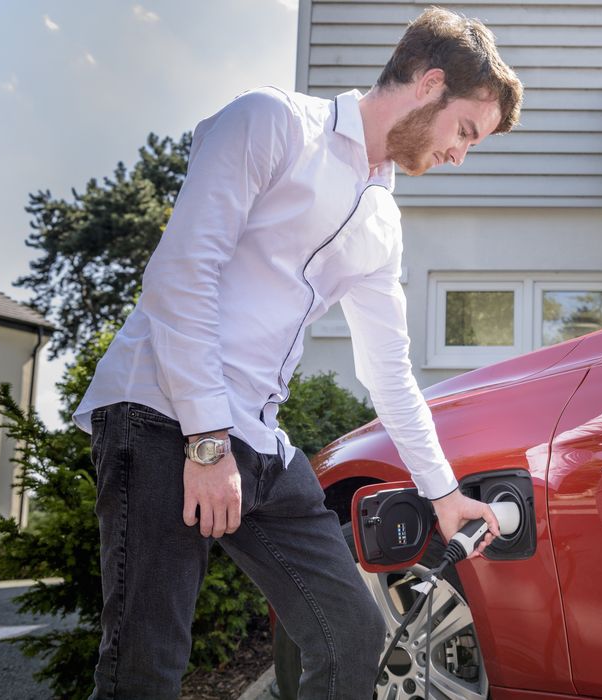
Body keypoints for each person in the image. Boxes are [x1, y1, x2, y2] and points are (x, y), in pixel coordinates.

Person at [73, 7, 523, 698]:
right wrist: (205, 442)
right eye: (465, 130)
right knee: (146, 665)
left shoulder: (380, 218)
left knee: (352, 634)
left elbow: (388, 370)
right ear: (429, 84)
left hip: (256, 438)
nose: (461, 153)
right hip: (163, 413)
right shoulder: (272, 123)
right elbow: (178, 275)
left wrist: (443, 494)